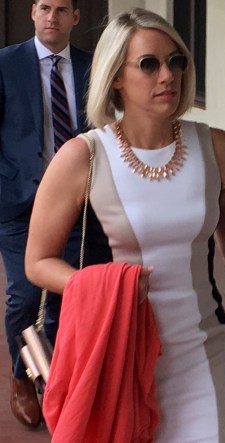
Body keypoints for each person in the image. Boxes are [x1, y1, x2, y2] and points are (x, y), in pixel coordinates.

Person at [25, 8, 225, 441]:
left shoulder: (215, 148)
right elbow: (37, 261)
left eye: (176, 61)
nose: (167, 75)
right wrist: (103, 285)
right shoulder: (84, 156)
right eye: (149, 64)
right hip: (122, 361)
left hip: (203, 357)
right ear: (116, 76)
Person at [0, 0, 111, 429]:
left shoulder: (94, 66)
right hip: (20, 202)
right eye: (45, 7)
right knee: (25, 296)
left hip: (79, 202)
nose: (52, 17)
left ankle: (53, 377)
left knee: (71, 293)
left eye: (62, 9)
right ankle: (21, 377)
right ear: (33, 12)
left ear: (75, 17)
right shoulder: (6, 64)